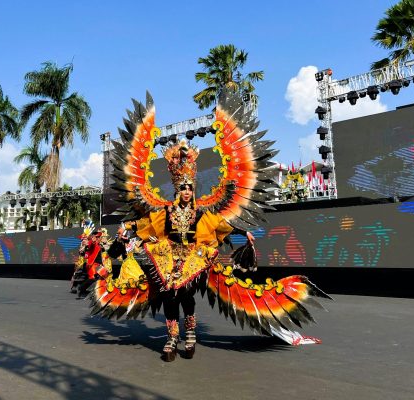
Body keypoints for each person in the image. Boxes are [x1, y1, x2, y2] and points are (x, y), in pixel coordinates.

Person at [88, 88, 331, 362]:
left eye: (189, 188)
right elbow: (145, 221)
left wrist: (243, 232)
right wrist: (127, 229)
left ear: (193, 189)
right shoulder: (164, 210)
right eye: (182, 188)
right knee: (169, 298)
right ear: (177, 189)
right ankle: (171, 338)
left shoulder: (204, 211)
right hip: (168, 257)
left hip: (195, 257)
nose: (186, 192)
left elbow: (222, 223)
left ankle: (189, 334)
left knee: (187, 297)